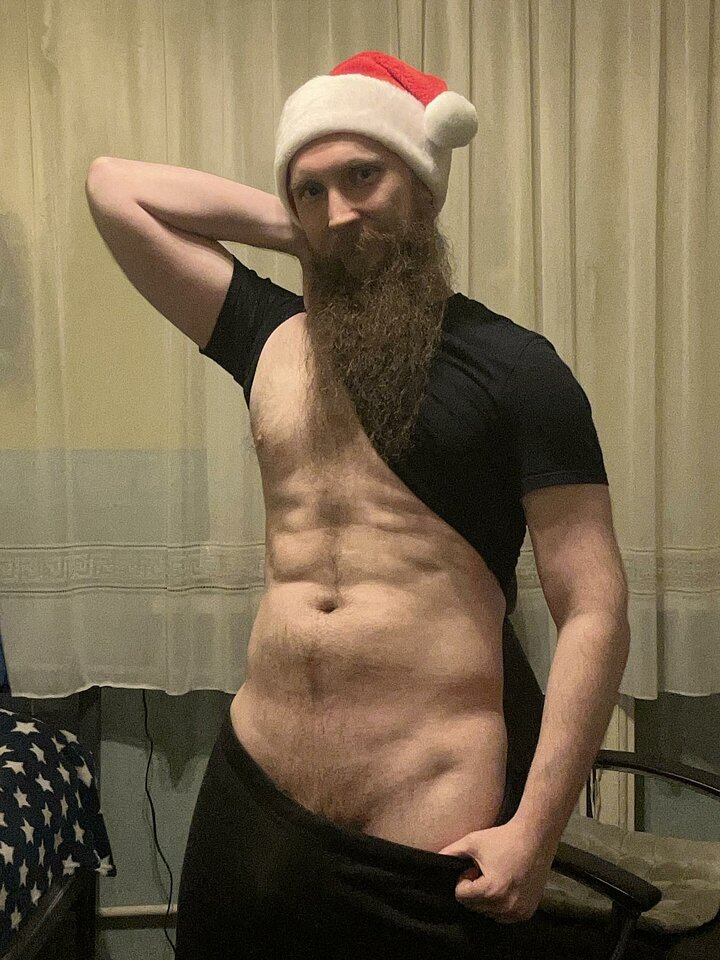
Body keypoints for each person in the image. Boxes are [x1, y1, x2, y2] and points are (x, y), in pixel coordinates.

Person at [87, 50, 630, 960]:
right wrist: (313, 232)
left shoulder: (518, 369)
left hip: (425, 809)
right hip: (256, 791)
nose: (339, 208)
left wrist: (535, 831)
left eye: (365, 176)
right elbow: (114, 188)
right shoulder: (267, 336)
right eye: (312, 188)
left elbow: (595, 607)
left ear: (424, 183)